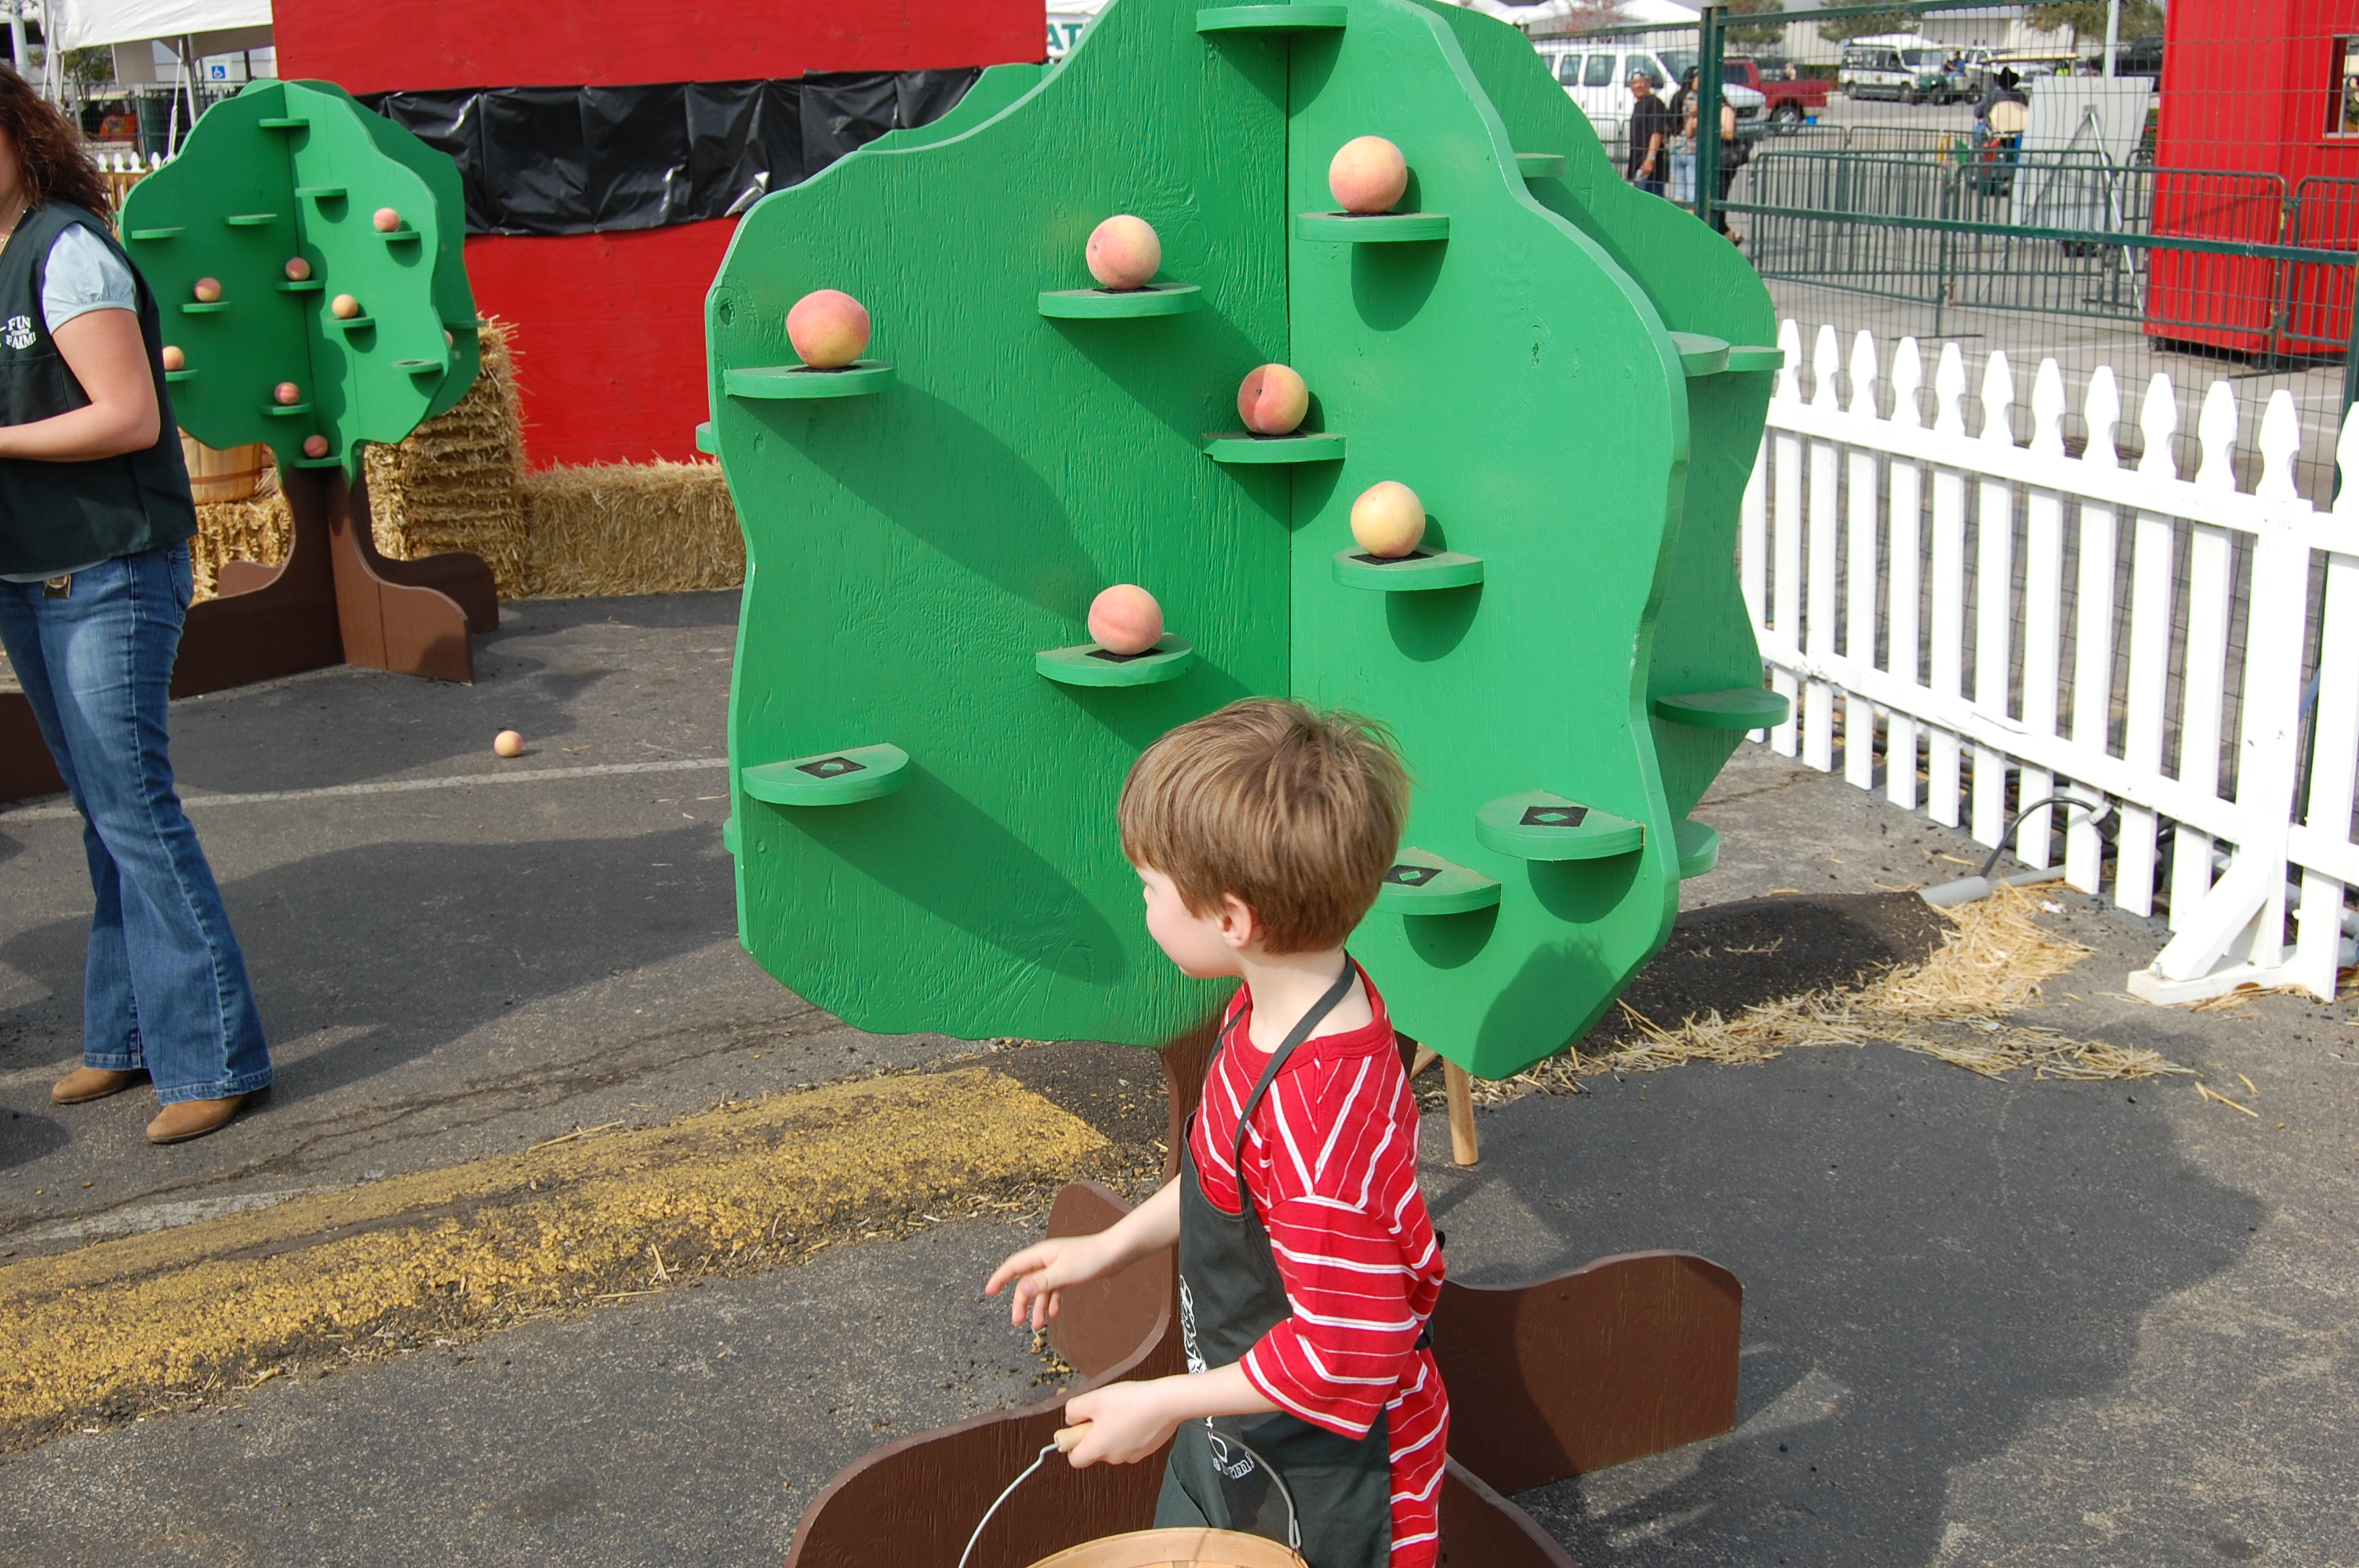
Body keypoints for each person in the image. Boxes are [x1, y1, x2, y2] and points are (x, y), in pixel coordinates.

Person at [987, 700, 1446, 1568]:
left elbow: (1346, 1350)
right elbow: (1222, 1174)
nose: (1142, 903)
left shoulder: (1318, 1121)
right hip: (1234, 1412)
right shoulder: (1277, 1000)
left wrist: (1161, 1401)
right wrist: (1110, 1247)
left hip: (1332, 1468)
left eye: (1150, 889)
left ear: (1233, 919)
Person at [0, 67, 271, 1144]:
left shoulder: (65, 252)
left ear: (20, 137)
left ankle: (216, 1057)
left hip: (108, 570)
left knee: (135, 811)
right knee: (102, 810)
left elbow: (126, 416)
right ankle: (123, 1035)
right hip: (34, 574)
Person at [1626, 71, 1673, 196]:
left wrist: (1650, 159)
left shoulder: (1655, 103)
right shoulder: (1639, 104)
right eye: (1635, 83)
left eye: (1643, 82)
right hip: (1639, 163)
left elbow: (1657, 133)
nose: (1639, 86)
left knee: (1649, 202)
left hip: (1651, 167)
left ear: (1649, 84)